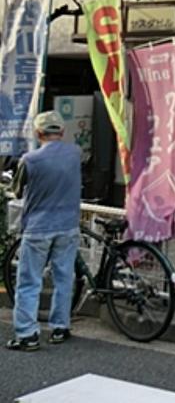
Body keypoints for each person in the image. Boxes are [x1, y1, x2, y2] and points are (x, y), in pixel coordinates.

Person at [6, 110, 81, 351]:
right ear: (62, 131)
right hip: (68, 225)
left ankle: (27, 334)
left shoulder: (30, 160)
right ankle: (60, 327)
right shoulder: (75, 153)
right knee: (64, 278)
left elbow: (17, 190)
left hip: (38, 227)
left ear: (38, 133)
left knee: (29, 281)